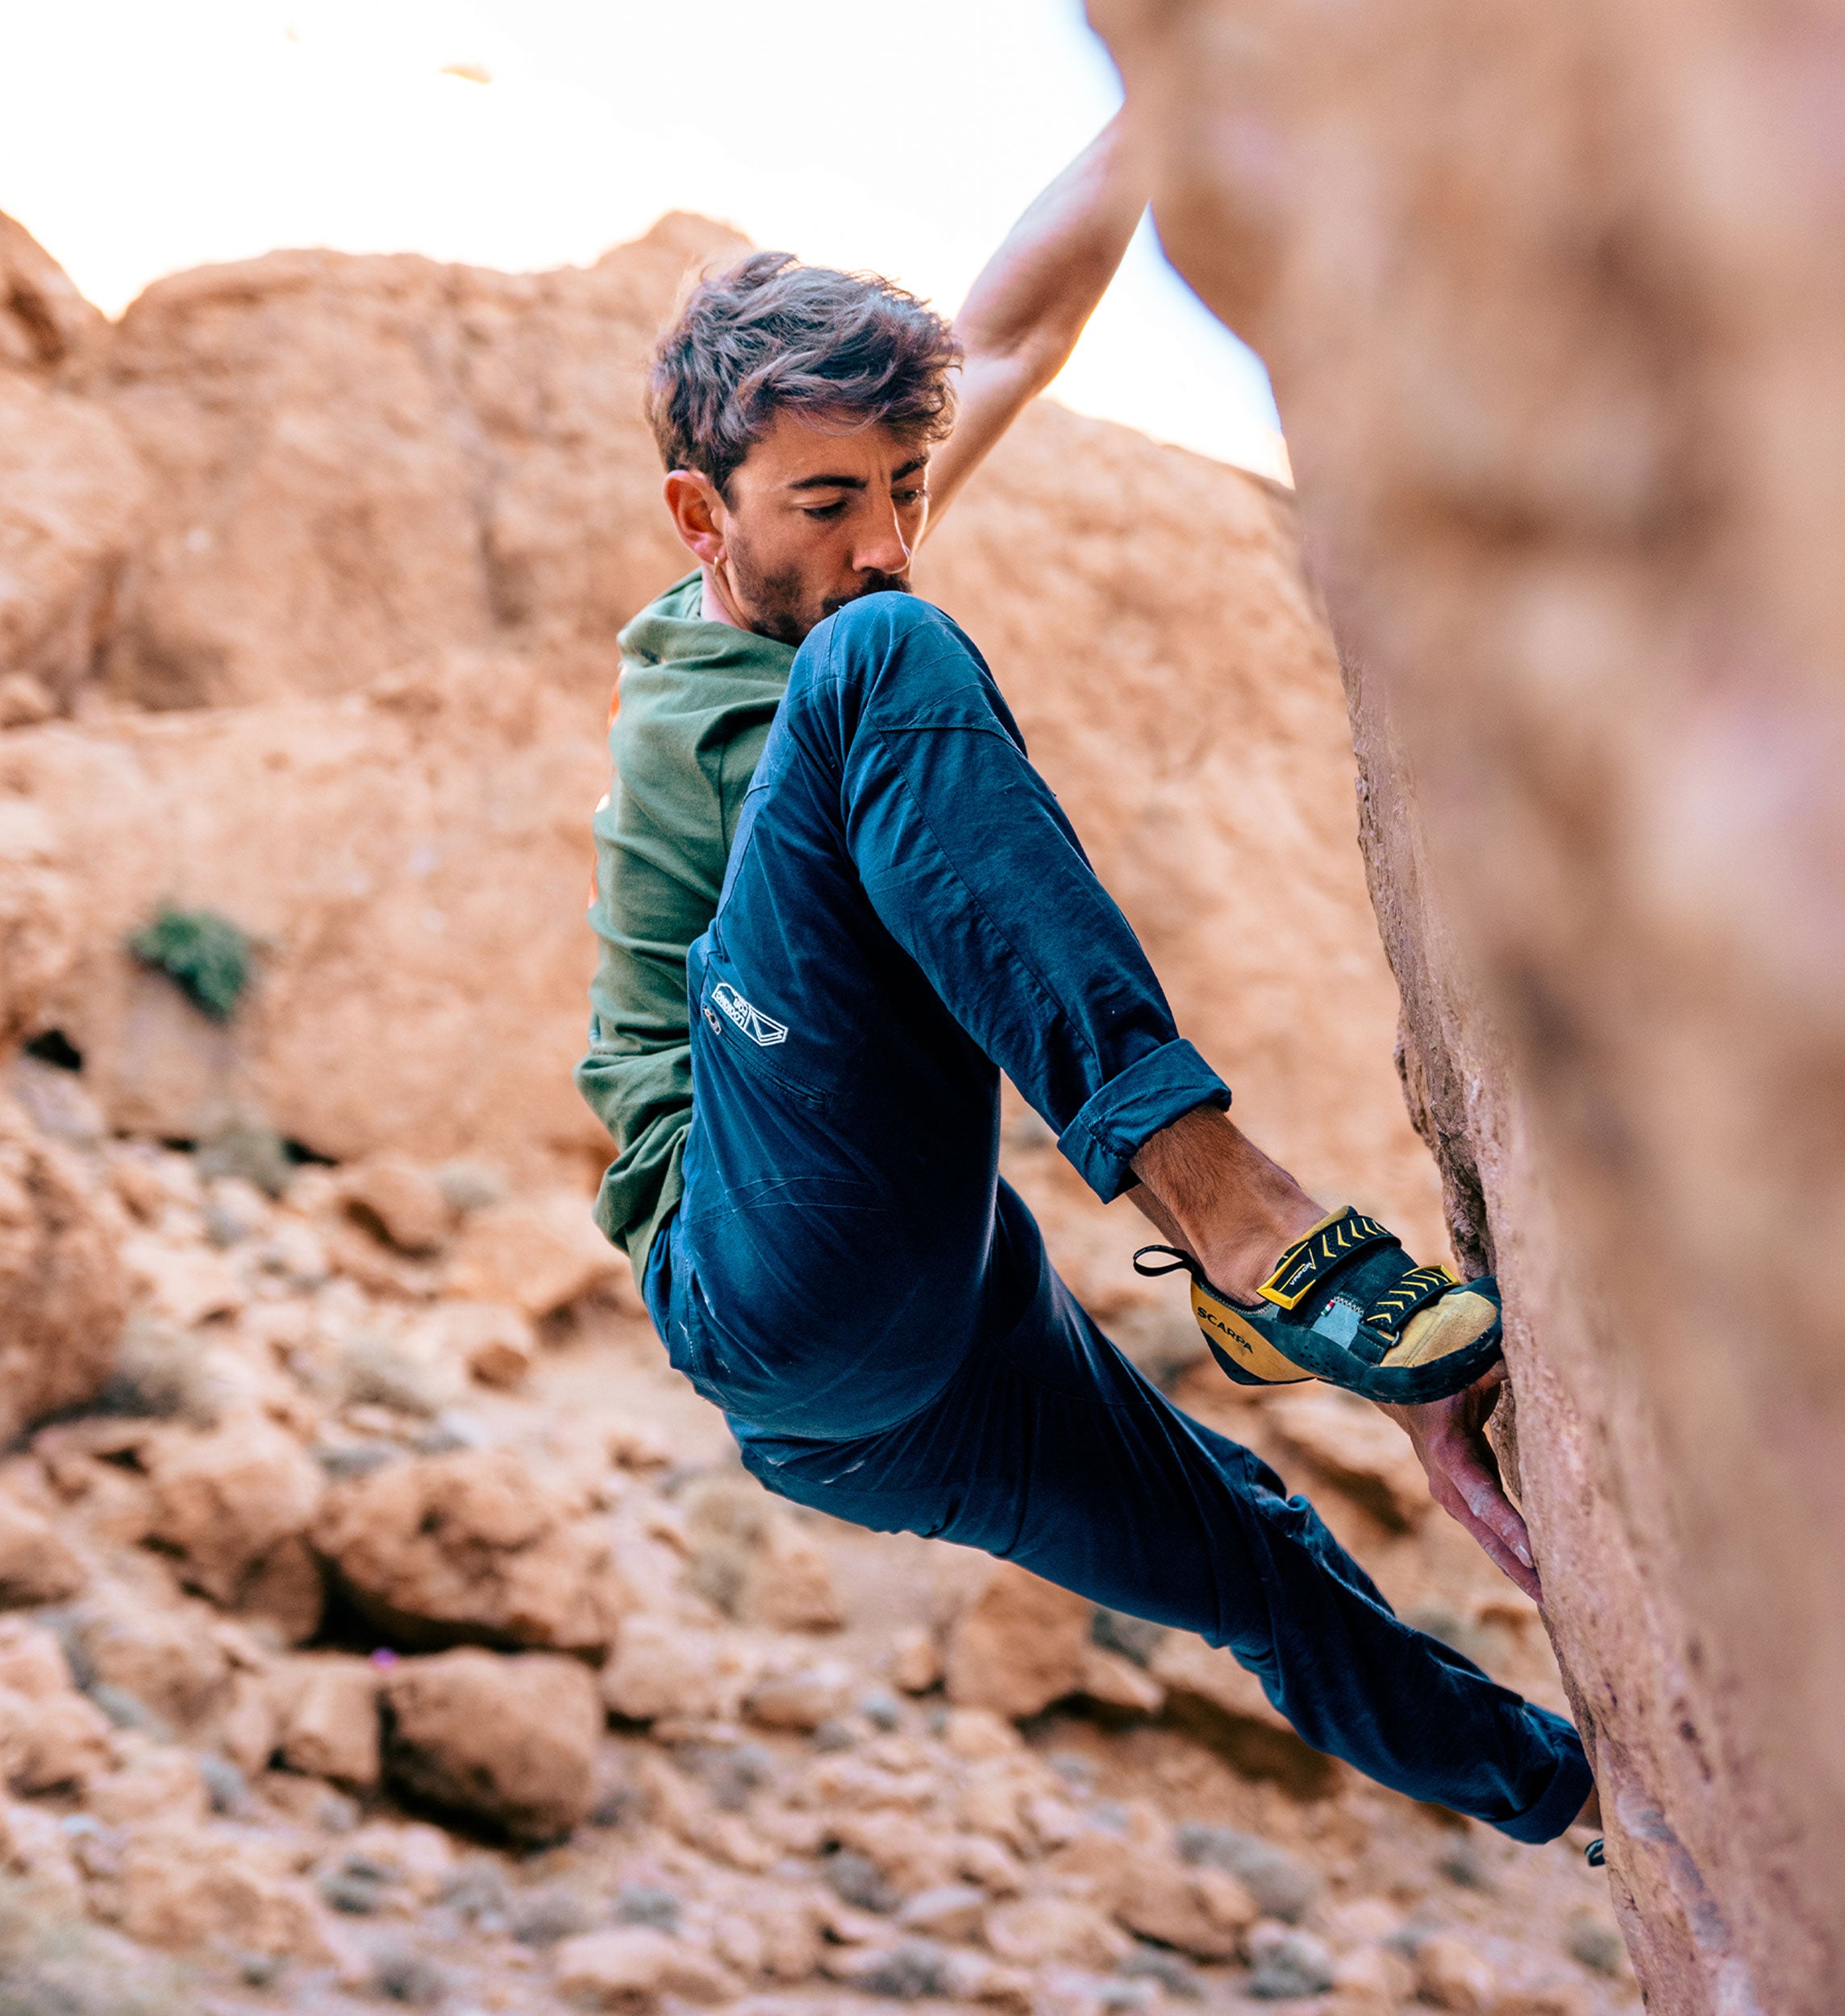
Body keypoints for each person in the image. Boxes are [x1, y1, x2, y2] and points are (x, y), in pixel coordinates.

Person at [576, 116, 1594, 1841]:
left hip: (913, 1366)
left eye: (904, 487)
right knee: (890, 661)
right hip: (757, 1265)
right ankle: (1246, 1228)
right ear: (702, 515)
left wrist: (1171, 95)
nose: (887, 535)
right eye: (830, 502)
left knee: (1254, 1553)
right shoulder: (731, 701)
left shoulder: (839, 555)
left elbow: (1019, 330)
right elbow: (905, 930)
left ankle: (1589, 1802)